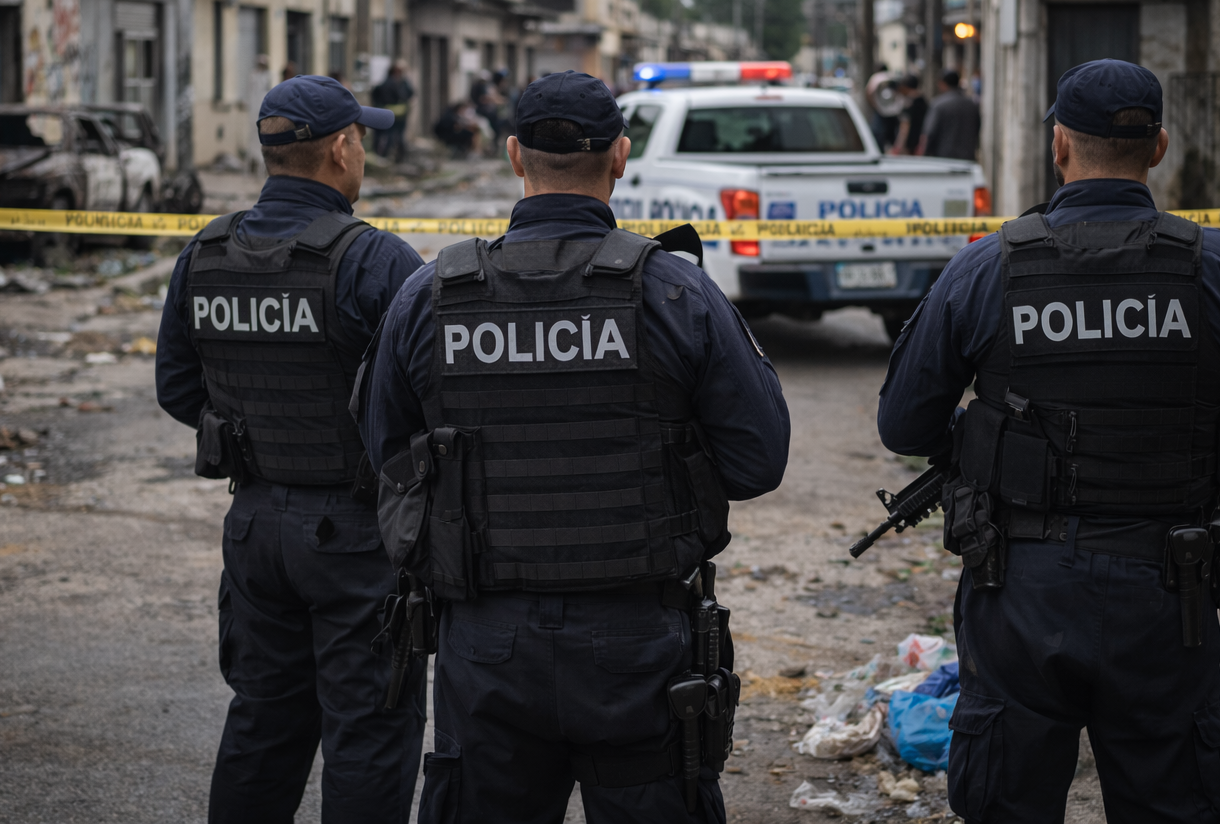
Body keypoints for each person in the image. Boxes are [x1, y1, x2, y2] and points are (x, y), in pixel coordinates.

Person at [877, 59, 1220, 823]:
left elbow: (904, 425)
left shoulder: (990, 266)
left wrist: (999, 436)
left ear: (1059, 146)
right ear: (1158, 149)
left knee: (1007, 801)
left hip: (1019, 586)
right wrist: (1192, 425)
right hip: (1166, 586)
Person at [356, 70, 792, 822]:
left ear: (513, 154)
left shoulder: (430, 295)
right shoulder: (675, 292)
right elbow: (758, 461)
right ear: (621, 156)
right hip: (638, 646)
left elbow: (386, 456)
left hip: (485, 647)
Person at [154, 74, 428, 824]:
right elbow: (425, 402)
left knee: (264, 723)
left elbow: (178, 390)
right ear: (342, 148)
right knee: (370, 730)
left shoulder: (205, 253)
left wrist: (258, 434)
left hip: (254, 528)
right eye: (362, 139)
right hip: (358, 537)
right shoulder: (375, 261)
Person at [918, 69, 981, 160]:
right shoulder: (971, 104)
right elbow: (977, 127)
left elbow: (929, 133)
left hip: (943, 159)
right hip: (967, 158)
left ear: (942, 83)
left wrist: (925, 155)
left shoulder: (938, 104)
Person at [371, 62, 415, 163]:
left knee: (388, 135)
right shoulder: (399, 83)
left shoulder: (386, 83)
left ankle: (386, 156)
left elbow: (375, 95)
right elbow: (408, 94)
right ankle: (396, 157)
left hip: (390, 114)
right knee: (395, 136)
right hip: (398, 115)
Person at [890, 74, 927, 155]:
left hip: (910, 145)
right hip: (921, 143)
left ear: (905, 87)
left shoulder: (908, 103)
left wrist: (898, 147)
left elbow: (904, 127)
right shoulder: (923, 100)